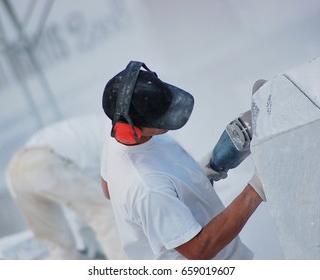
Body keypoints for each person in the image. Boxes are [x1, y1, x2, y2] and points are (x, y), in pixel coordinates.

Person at [100, 61, 266, 260]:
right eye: (161, 118)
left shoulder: (115, 137)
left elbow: (109, 188)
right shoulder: (148, 188)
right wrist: (257, 187)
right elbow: (200, 250)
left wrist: (196, 176)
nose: (171, 113)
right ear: (131, 131)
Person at [6, 114, 125, 260]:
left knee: (59, 246)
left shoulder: (104, 125)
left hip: (16, 170)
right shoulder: (119, 138)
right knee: (104, 213)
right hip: (43, 160)